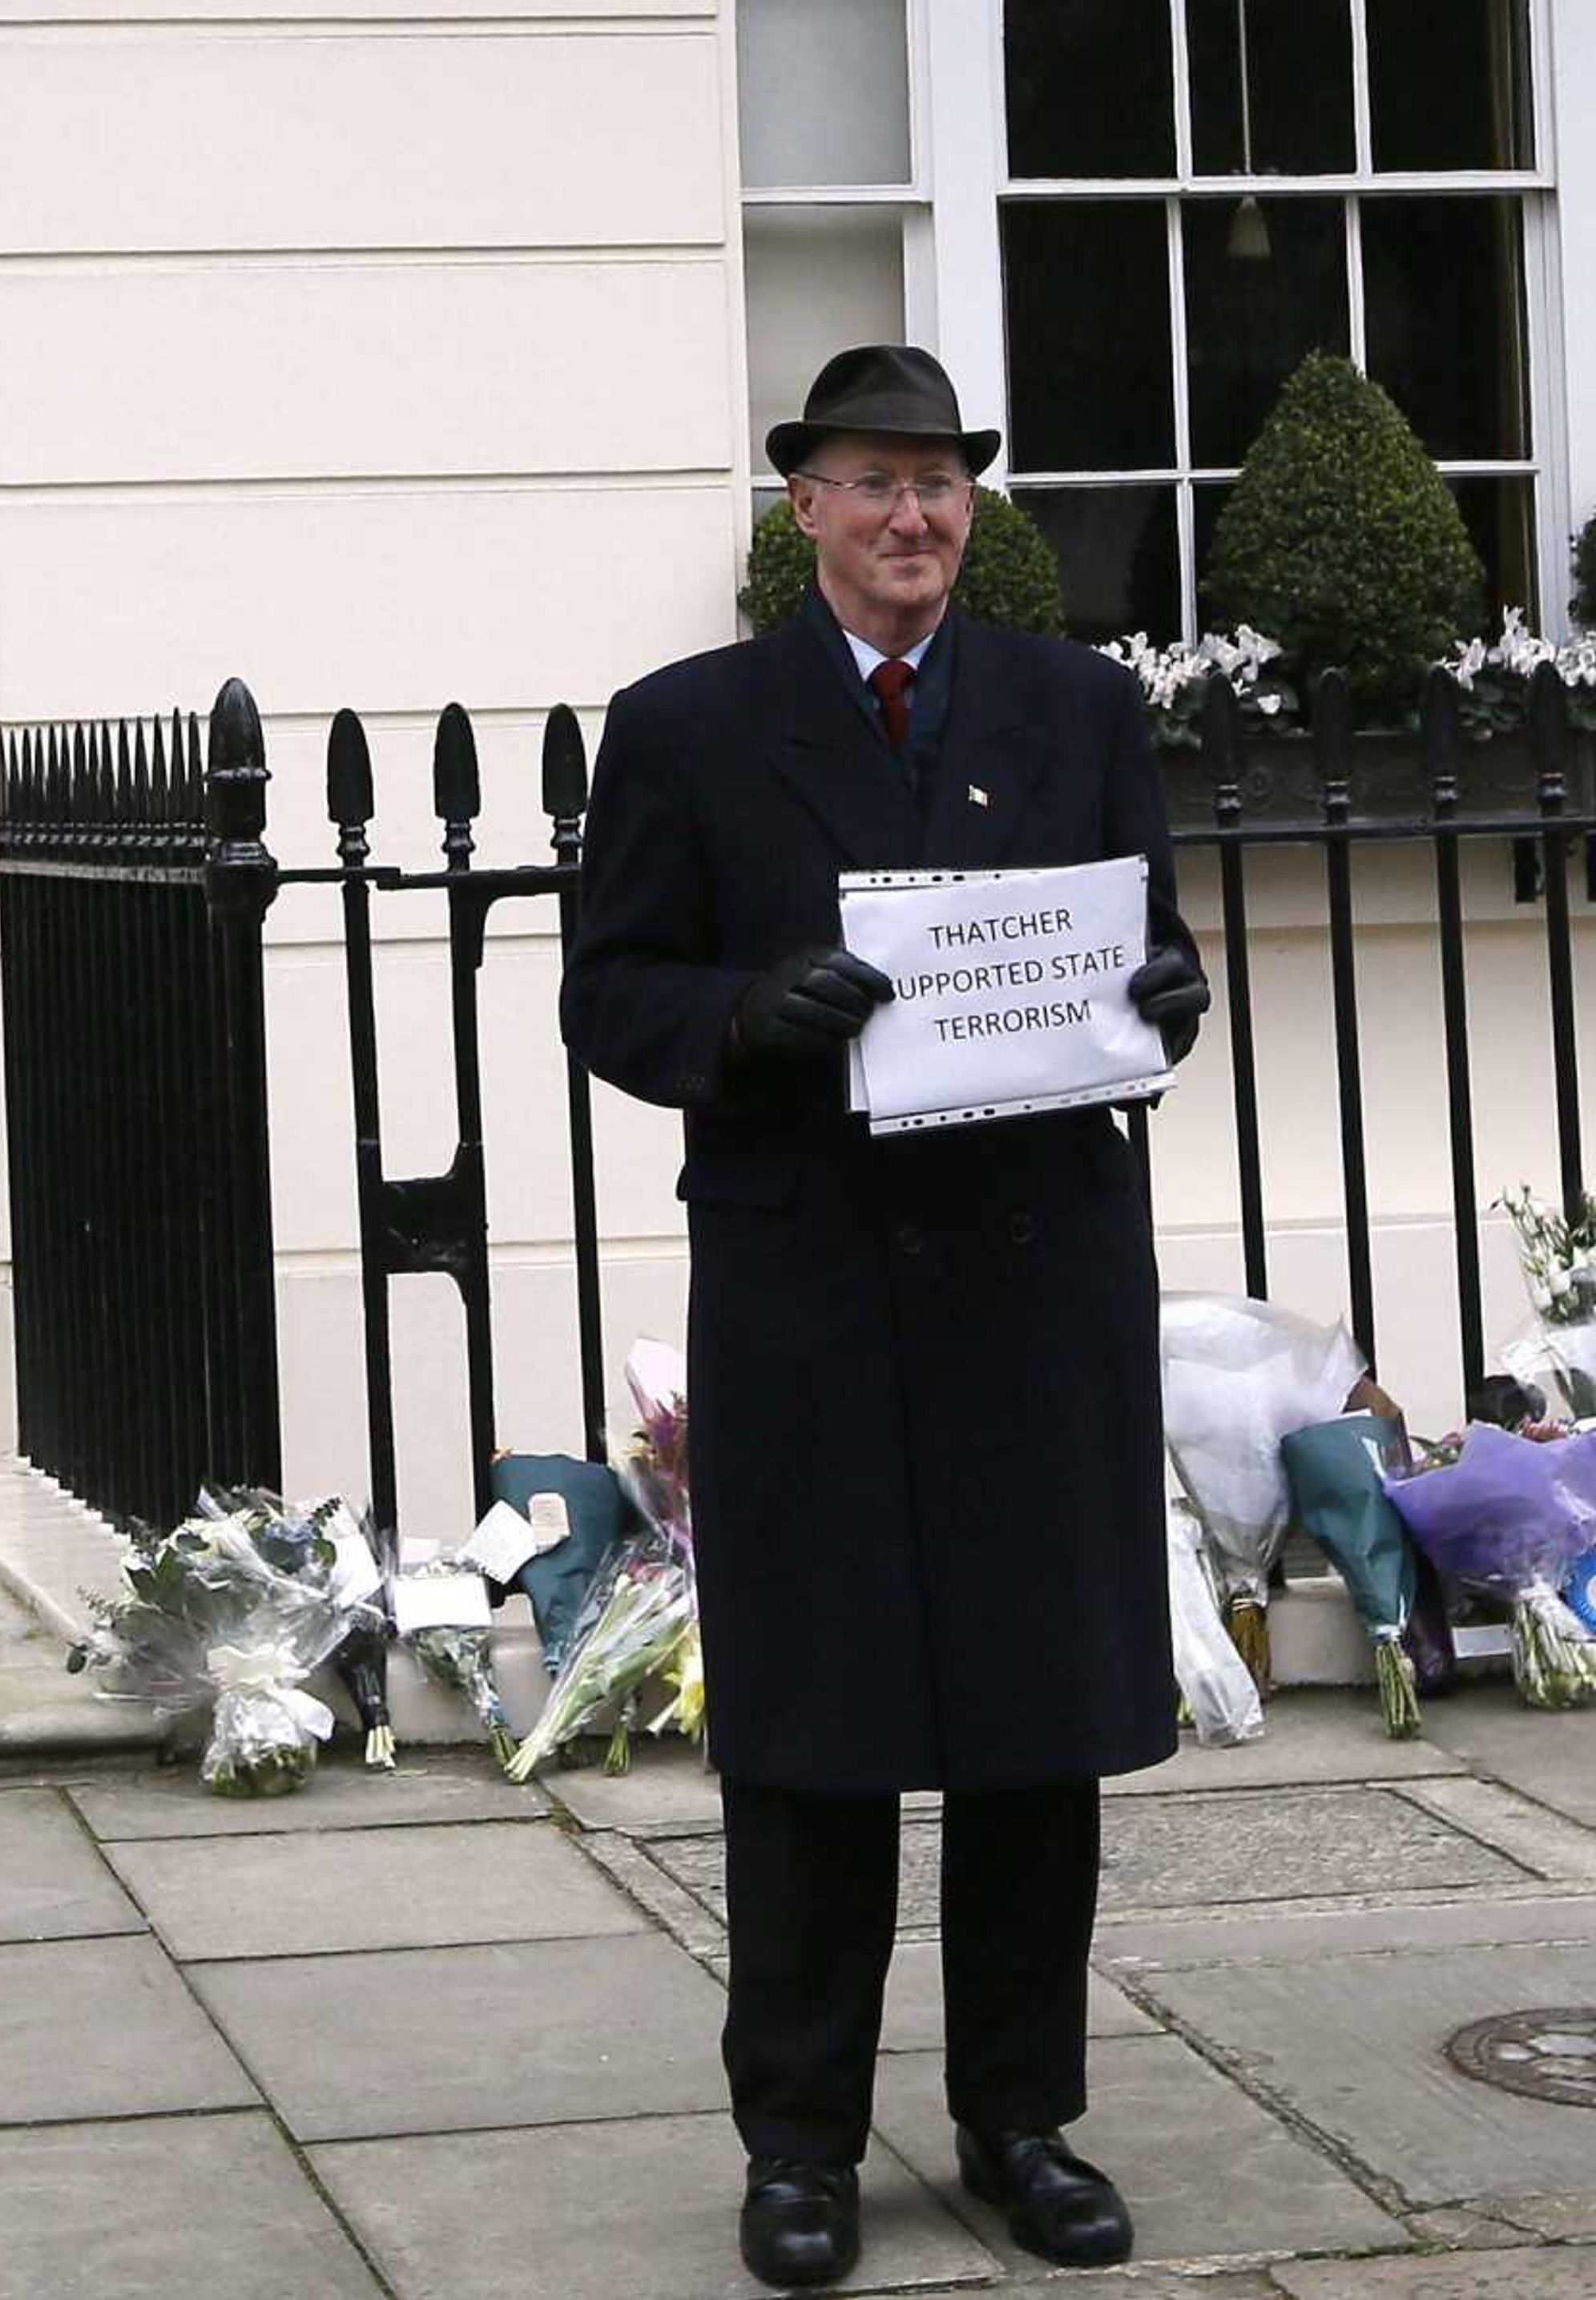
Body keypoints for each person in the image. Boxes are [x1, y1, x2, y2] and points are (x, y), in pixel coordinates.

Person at [563, 345, 1212, 2290]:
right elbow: (614, 997)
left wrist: (1162, 997)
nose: (913, 518)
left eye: (941, 484)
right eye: (875, 482)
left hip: (1037, 1279)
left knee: (1037, 1720)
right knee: (818, 1729)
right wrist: (749, 1020)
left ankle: (1025, 2119)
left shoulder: (1079, 702)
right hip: (814, 1286)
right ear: (806, 511)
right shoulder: (685, 726)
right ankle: (801, 2144)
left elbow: (1149, 945)